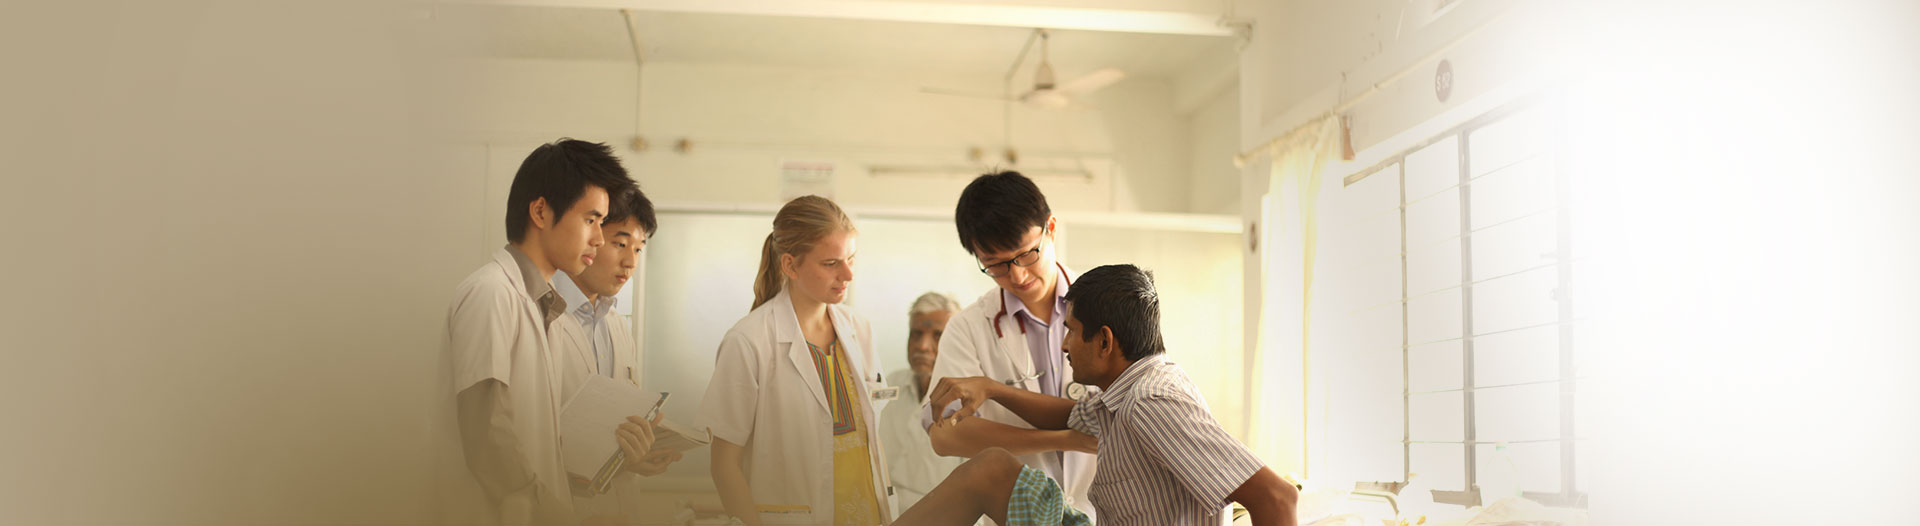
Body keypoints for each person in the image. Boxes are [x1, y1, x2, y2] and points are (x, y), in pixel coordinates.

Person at [902, 265, 1300, 526]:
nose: (1064, 345)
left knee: (990, 470)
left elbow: (1277, 498)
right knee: (993, 467)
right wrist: (991, 388)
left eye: (1072, 332)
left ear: (1105, 341)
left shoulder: (1152, 402)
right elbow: (1066, 415)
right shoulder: (1123, 396)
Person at [438, 138, 636, 525]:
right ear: (541, 211)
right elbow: (487, 436)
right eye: (591, 220)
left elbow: (538, 447)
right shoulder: (492, 293)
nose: (599, 238)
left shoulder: (542, 308)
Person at [697, 196, 896, 526]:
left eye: (851, 259)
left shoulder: (858, 329)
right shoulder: (748, 341)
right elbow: (724, 465)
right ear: (790, 265)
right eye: (831, 263)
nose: (848, 274)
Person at [924, 171, 1096, 522]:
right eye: (996, 264)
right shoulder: (969, 328)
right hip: (1017, 515)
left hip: (1105, 509)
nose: (1017, 276)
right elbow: (946, 436)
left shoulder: (1108, 306)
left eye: (1026, 255)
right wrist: (1064, 438)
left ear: (1050, 228)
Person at [549, 183, 683, 522]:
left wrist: (638, 452)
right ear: (589, 237)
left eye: (638, 249)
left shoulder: (617, 326)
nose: (630, 262)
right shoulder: (541, 317)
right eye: (620, 244)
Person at [879, 292, 965, 512]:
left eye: (937, 336)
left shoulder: (967, 402)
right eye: (916, 334)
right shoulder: (890, 384)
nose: (923, 346)